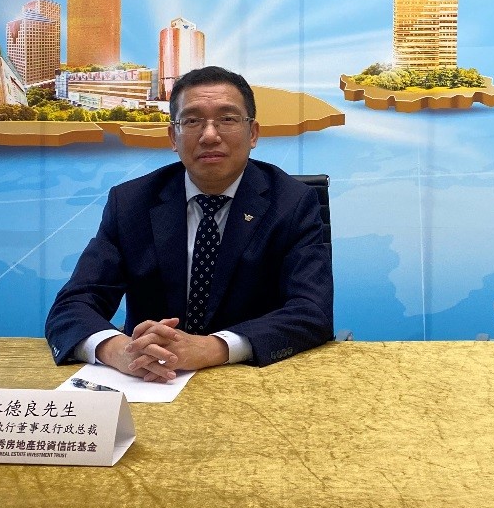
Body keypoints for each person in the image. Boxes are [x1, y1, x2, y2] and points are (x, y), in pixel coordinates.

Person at [45, 66, 333, 379]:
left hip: (251, 378)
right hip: (152, 380)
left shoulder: (292, 203)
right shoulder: (131, 203)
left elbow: (311, 311)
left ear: (253, 133)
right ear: (173, 136)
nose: (210, 136)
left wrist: (214, 347)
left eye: (227, 119)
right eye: (192, 121)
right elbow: (73, 306)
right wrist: (120, 351)